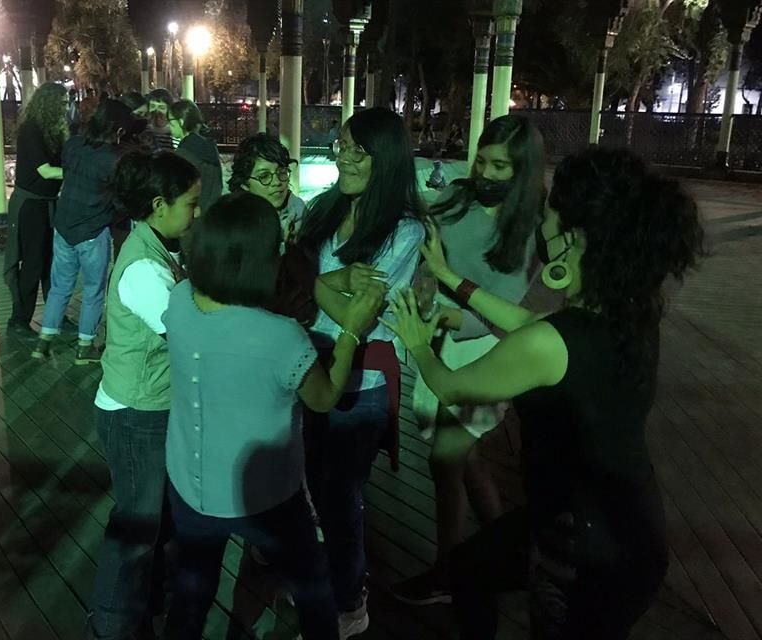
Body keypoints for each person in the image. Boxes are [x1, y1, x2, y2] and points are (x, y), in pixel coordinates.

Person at [382, 146, 704, 639]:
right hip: (616, 521)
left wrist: (419, 344)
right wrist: (450, 278)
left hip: (590, 551)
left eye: (550, 208)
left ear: (573, 235)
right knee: (469, 567)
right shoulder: (626, 313)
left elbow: (451, 386)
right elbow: (530, 324)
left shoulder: (553, 342)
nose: (542, 218)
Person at [161, 192, 384, 640]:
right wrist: (351, 331)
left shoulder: (181, 299)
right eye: (277, 244)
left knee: (193, 586)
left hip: (190, 484)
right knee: (313, 584)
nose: (283, 248)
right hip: (265, 497)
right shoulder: (281, 337)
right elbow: (322, 398)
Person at [391, 114, 546, 606]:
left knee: (447, 459)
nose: (486, 173)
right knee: (467, 460)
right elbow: (423, 261)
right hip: (436, 339)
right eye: (482, 159)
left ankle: (447, 572)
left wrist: (447, 318)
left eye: (500, 166)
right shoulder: (457, 199)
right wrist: (424, 298)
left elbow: (507, 309)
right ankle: (508, 553)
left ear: (522, 171)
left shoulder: (532, 225)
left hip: (485, 351)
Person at [298, 106, 426, 638]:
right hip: (310, 365)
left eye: (357, 151)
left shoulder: (404, 230)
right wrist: (328, 282)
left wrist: (316, 283)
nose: (343, 158)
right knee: (309, 482)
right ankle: (322, 578)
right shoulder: (324, 206)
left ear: (385, 160)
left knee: (341, 496)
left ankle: (350, 600)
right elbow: (312, 279)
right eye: (341, 147)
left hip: (362, 383)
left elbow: (364, 306)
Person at [86, 151, 202, 640]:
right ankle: (111, 625)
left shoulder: (153, 247)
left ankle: (142, 610)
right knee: (135, 528)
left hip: (150, 407)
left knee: (154, 523)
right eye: (191, 205)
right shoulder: (144, 270)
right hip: (137, 414)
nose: (196, 214)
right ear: (159, 204)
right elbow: (189, 335)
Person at [31, 100, 149, 365]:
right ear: (118, 130)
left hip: (64, 226)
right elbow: (119, 199)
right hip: (92, 231)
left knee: (60, 286)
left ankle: (43, 341)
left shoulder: (72, 146)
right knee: (94, 289)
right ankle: (85, 347)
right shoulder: (114, 159)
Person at [4, 82, 69, 336]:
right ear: (50, 104)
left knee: (52, 265)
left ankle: (55, 317)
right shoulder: (31, 129)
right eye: (62, 103)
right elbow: (45, 170)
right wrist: (79, 173)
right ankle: (19, 320)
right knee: (32, 263)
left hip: (47, 204)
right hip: (30, 205)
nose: (67, 107)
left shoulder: (54, 130)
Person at [228, 133, 305, 242]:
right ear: (244, 184)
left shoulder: (303, 218)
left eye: (282, 172)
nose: (277, 182)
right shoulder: (230, 227)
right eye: (264, 176)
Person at [170, 99, 223, 215]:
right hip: (212, 214)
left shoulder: (183, 154)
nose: (169, 125)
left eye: (170, 121)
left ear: (181, 121)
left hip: (192, 217)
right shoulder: (210, 148)